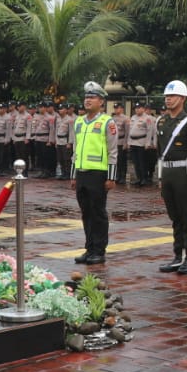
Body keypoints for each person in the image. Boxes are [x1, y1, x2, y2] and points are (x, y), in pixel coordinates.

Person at [155, 80, 187, 274]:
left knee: (186, 216)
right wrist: (160, 177)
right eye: (167, 97)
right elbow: (160, 152)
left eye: (173, 96)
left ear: (183, 98)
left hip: (184, 173)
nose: (168, 100)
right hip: (168, 173)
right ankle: (177, 256)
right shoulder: (161, 121)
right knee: (174, 217)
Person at [71, 82, 119, 264]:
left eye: (92, 97)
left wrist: (111, 176)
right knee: (86, 213)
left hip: (98, 174)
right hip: (82, 173)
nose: (87, 100)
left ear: (101, 101)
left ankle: (99, 250)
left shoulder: (107, 122)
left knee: (98, 213)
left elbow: (113, 151)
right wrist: (73, 175)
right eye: (86, 97)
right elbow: (75, 150)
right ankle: (89, 248)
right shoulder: (79, 122)